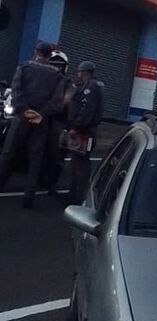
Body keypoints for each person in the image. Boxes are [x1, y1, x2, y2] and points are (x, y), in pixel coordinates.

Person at [0, 42, 65, 208]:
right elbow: (57, 101)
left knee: (8, 153)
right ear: (50, 55)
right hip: (41, 121)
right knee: (36, 159)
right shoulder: (57, 74)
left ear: (36, 52)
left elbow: (16, 90)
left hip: (21, 117)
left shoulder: (24, 67)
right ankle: (29, 196)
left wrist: (25, 110)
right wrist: (41, 114)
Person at [66, 60, 103, 204]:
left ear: (85, 72)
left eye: (80, 71)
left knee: (80, 163)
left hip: (85, 131)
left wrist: (76, 127)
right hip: (86, 130)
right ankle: (74, 193)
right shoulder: (94, 85)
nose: (78, 74)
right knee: (77, 161)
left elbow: (86, 109)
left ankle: (78, 197)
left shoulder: (91, 87)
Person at [40, 50, 72, 196]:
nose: (57, 68)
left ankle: (52, 184)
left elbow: (66, 103)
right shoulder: (43, 80)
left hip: (59, 122)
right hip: (42, 120)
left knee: (56, 155)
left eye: (60, 66)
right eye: (54, 65)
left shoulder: (67, 83)